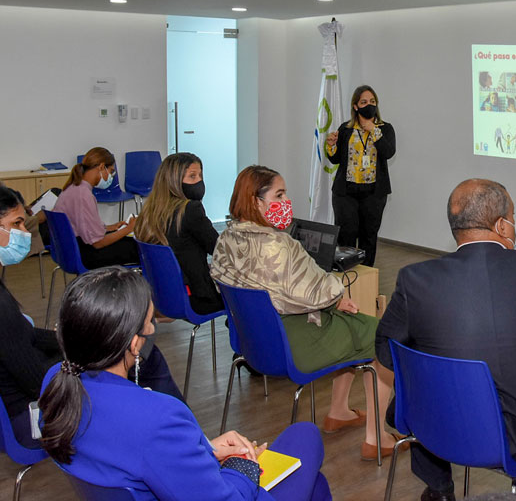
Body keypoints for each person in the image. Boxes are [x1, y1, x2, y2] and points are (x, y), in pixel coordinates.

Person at [376, 179, 516, 501]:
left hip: (436, 425)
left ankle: (439, 488)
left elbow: (386, 351)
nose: (515, 226)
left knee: (421, 381)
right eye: (514, 218)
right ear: (502, 225)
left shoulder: (415, 279)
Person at [38, 267, 329, 500]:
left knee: (315, 485)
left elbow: (136, 455)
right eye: (149, 323)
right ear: (133, 343)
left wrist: (201, 450)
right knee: (305, 435)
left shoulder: (56, 382)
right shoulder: (157, 416)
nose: (153, 329)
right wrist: (243, 465)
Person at [210, 166, 400, 460]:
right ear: (256, 200)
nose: (286, 201)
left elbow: (282, 292)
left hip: (255, 342)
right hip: (293, 345)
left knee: (347, 322)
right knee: (380, 335)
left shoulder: (227, 238)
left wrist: (332, 301)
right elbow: (316, 290)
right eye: (279, 194)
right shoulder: (277, 244)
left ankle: (339, 411)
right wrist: (335, 293)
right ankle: (378, 437)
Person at [0, 186, 183, 450]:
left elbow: (25, 338)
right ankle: (181, 436)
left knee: (140, 348)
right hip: (29, 416)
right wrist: (85, 352)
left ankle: (177, 434)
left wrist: (73, 338)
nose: (25, 232)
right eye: (16, 223)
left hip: (18, 402)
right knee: (144, 351)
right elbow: (36, 380)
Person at [135, 152, 223, 314]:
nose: (199, 181)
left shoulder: (151, 211)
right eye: (192, 176)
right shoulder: (190, 210)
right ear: (173, 181)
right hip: (198, 298)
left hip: (166, 297)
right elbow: (218, 249)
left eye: (200, 175)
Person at [325, 85, 396, 267]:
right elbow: (334, 159)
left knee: (369, 238)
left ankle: (367, 280)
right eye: (364, 102)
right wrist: (331, 145)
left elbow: (388, 152)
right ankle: (346, 279)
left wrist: (373, 130)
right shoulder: (346, 129)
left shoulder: (385, 129)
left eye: (372, 101)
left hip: (373, 194)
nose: (369, 105)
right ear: (355, 106)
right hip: (346, 193)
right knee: (346, 237)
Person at [52, 147, 138, 268]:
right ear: (102, 167)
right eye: (111, 171)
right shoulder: (83, 194)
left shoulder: (73, 188)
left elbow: (82, 226)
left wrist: (109, 228)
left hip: (70, 250)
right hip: (87, 255)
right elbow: (98, 243)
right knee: (139, 247)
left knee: (126, 241)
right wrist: (128, 229)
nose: (111, 177)